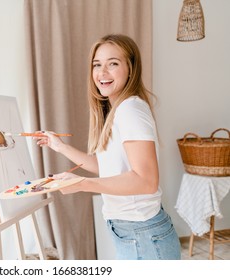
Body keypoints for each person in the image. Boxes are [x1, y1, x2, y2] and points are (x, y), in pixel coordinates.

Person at [35, 34, 181, 260]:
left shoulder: (130, 110)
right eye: (97, 65)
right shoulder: (118, 110)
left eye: (113, 63)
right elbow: (108, 168)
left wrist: (82, 184)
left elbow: (146, 180)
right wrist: (60, 147)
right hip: (133, 231)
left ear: (130, 69)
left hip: (142, 234)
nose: (102, 73)